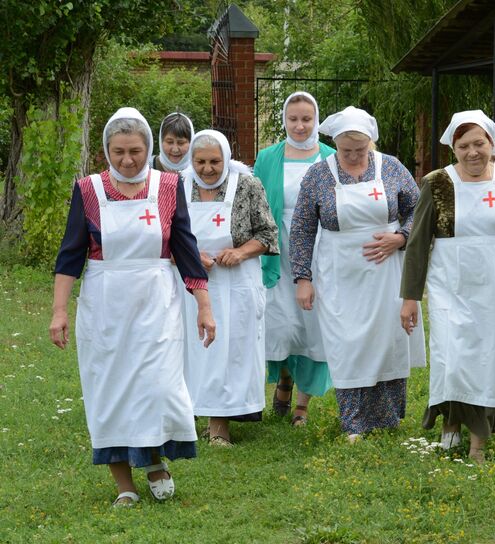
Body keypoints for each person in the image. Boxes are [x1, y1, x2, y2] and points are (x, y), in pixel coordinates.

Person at [49, 107, 216, 507]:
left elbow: (185, 249)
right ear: (107, 150)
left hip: (156, 299)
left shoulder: (167, 185)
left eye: (136, 151)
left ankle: (155, 459)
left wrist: (204, 306)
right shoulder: (88, 189)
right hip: (106, 303)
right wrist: (59, 311)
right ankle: (123, 481)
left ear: (148, 148)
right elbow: (71, 254)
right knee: (110, 388)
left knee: (158, 383)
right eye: (119, 151)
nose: (128, 160)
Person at [400, 110, 495, 464]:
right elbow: (417, 244)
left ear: (492, 144)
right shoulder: (437, 182)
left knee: (489, 359)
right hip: (451, 284)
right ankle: (452, 422)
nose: (473, 152)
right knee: (454, 356)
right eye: (464, 146)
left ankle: (477, 440)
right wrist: (410, 298)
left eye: (480, 143)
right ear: (453, 148)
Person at [290, 106, 426, 442]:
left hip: (386, 271)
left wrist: (401, 237)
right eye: (346, 150)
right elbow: (303, 229)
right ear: (335, 144)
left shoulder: (391, 167)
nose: (352, 156)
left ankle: (387, 419)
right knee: (347, 343)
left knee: (386, 339)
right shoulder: (318, 175)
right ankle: (353, 422)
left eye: (360, 150)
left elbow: (419, 210)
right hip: (339, 272)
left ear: (371, 143)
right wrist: (303, 278)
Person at [181, 130, 279, 446]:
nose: (207, 169)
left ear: (226, 158)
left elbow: (268, 234)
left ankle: (220, 423)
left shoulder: (247, 185)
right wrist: (192, 255)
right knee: (196, 350)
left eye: (214, 161)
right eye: (200, 161)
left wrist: (239, 252)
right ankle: (193, 413)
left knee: (230, 349)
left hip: (236, 282)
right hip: (193, 284)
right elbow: (166, 233)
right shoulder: (178, 186)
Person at [255, 91, 335, 426]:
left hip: (320, 249)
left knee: (314, 324)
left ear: (316, 120)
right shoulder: (268, 157)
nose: (300, 125)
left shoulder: (331, 157)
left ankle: (303, 404)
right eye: (293, 119)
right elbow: (256, 203)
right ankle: (285, 377)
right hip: (279, 248)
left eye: (306, 119)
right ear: (284, 120)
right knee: (282, 322)